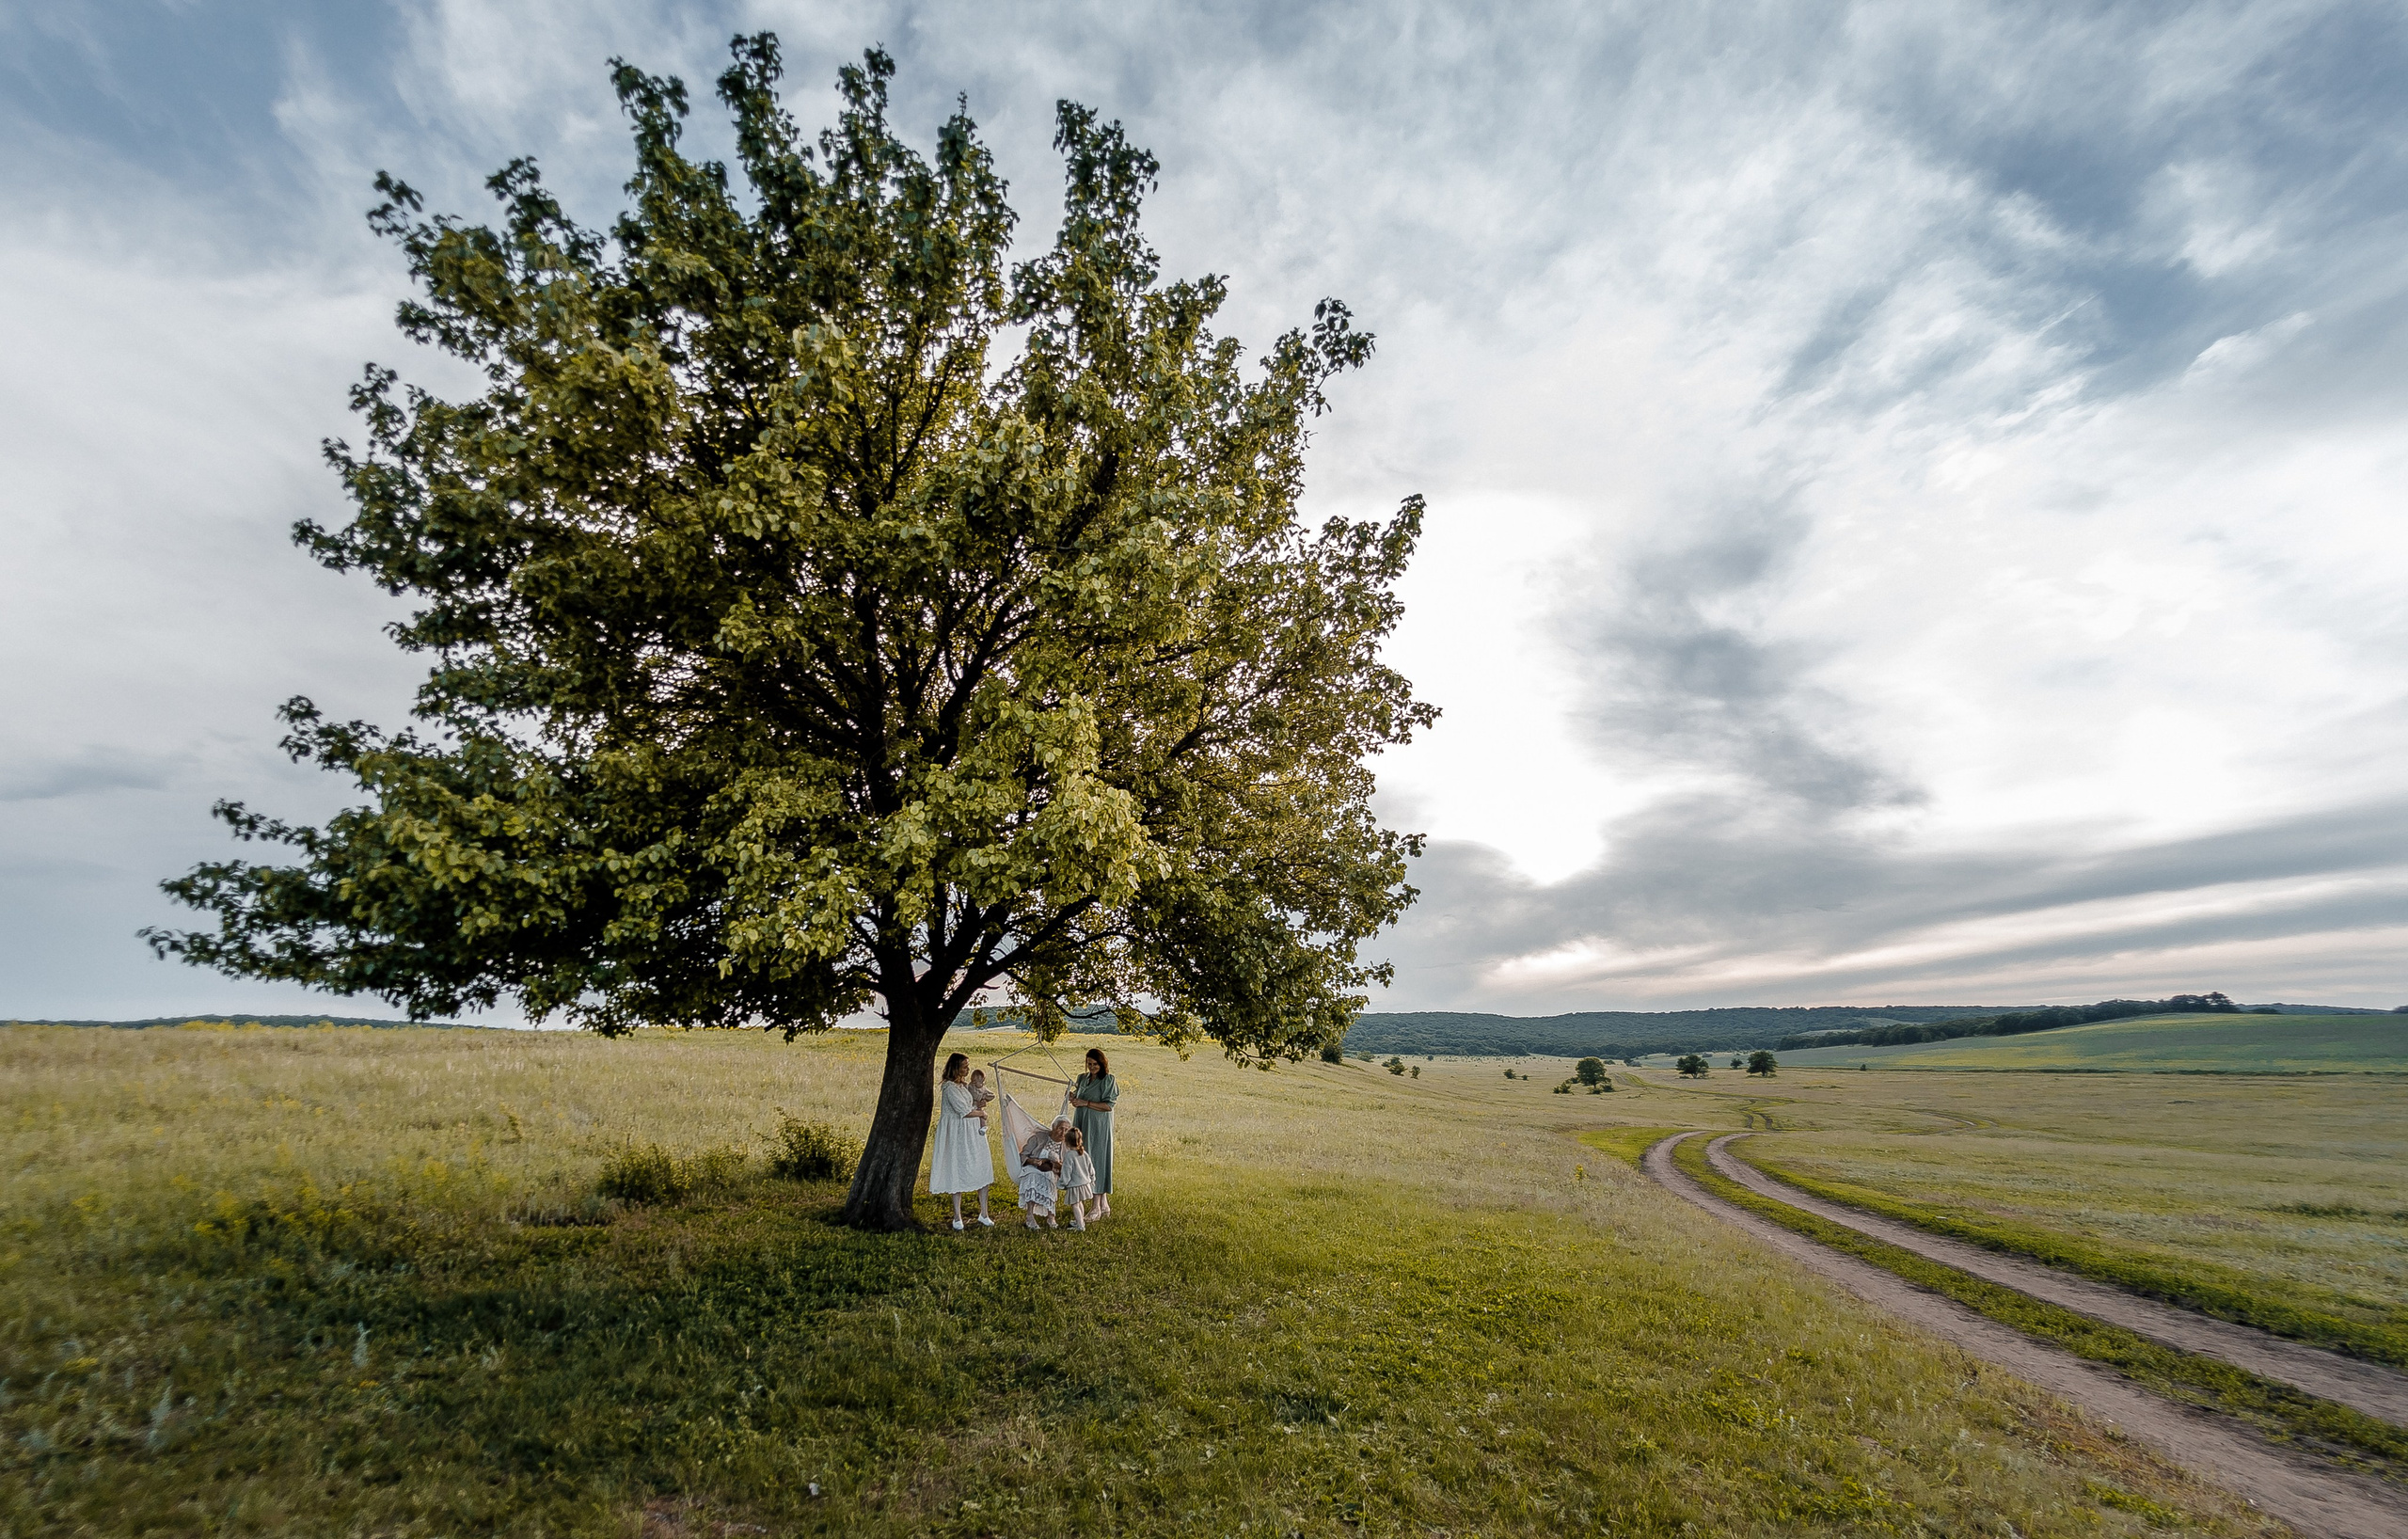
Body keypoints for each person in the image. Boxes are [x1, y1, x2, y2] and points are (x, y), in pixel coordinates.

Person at [928, 1053, 995, 1230]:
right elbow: (963, 1111)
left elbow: (970, 1105)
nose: (968, 1069)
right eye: (965, 1066)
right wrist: (981, 1113)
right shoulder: (949, 1088)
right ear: (956, 1067)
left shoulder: (964, 1086)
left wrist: (978, 1105)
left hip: (973, 1132)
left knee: (982, 1168)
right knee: (957, 1170)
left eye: (968, 1066)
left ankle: (984, 1213)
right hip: (957, 1133)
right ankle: (957, 1217)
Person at [1069, 1047, 1118, 1220]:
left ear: (1102, 1063)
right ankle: (1103, 1204)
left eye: (1095, 1064)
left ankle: (1095, 1207)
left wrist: (1085, 1103)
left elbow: (1108, 1106)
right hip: (1082, 1123)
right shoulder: (1082, 1078)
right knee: (1083, 1159)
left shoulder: (1108, 1080)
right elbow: (1079, 1099)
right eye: (1089, 1064)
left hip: (1098, 1126)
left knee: (1097, 1161)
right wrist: (1074, 1099)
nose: (1092, 1067)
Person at [1017, 1119, 1068, 1230]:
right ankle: (1029, 1216)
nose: (1063, 1132)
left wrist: (1057, 1164)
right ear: (1054, 1128)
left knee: (1050, 1178)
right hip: (1033, 1167)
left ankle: (1051, 1216)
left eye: (1066, 1130)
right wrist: (1032, 1161)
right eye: (1060, 1128)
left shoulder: (1066, 1145)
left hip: (1052, 1171)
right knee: (1032, 1176)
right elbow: (1023, 1155)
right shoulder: (1039, 1137)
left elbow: (1067, 1165)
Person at [1060, 1126, 1097, 1231]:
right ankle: (1080, 1221)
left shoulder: (1069, 1155)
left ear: (1066, 1142)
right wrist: (1092, 1178)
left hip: (1075, 1185)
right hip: (1085, 1184)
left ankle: (1080, 1226)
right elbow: (1091, 1168)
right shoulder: (1084, 1154)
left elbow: (1066, 1172)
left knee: (1075, 1205)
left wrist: (1062, 1183)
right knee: (1079, 1203)